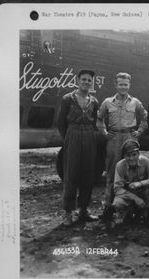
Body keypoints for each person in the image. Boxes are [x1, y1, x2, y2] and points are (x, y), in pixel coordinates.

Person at [97, 72, 148, 210]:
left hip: (129, 138)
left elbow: (144, 119)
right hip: (114, 139)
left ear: (129, 85)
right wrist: (105, 133)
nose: (123, 87)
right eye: (121, 84)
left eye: (126, 84)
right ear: (116, 85)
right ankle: (108, 206)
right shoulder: (107, 102)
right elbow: (99, 119)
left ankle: (130, 208)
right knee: (112, 171)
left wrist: (139, 132)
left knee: (131, 170)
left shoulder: (135, 102)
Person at [57, 69, 99, 226]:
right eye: (84, 79)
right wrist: (68, 138)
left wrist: (92, 136)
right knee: (71, 173)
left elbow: (95, 123)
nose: (86, 82)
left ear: (92, 83)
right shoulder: (68, 99)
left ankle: (83, 210)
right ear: (77, 80)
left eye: (89, 80)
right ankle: (68, 212)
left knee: (88, 174)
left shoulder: (94, 101)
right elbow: (61, 123)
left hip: (89, 136)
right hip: (72, 134)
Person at [108, 139, 149, 227]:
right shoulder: (120, 166)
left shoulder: (145, 161)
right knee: (118, 203)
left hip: (143, 193)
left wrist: (141, 183)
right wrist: (135, 198)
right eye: (128, 155)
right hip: (128, 195)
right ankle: (126, 216)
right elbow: (117, 188)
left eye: (134, 155)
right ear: (124, 156)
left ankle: (147, 215)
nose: (132, 158)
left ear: (139, 154)